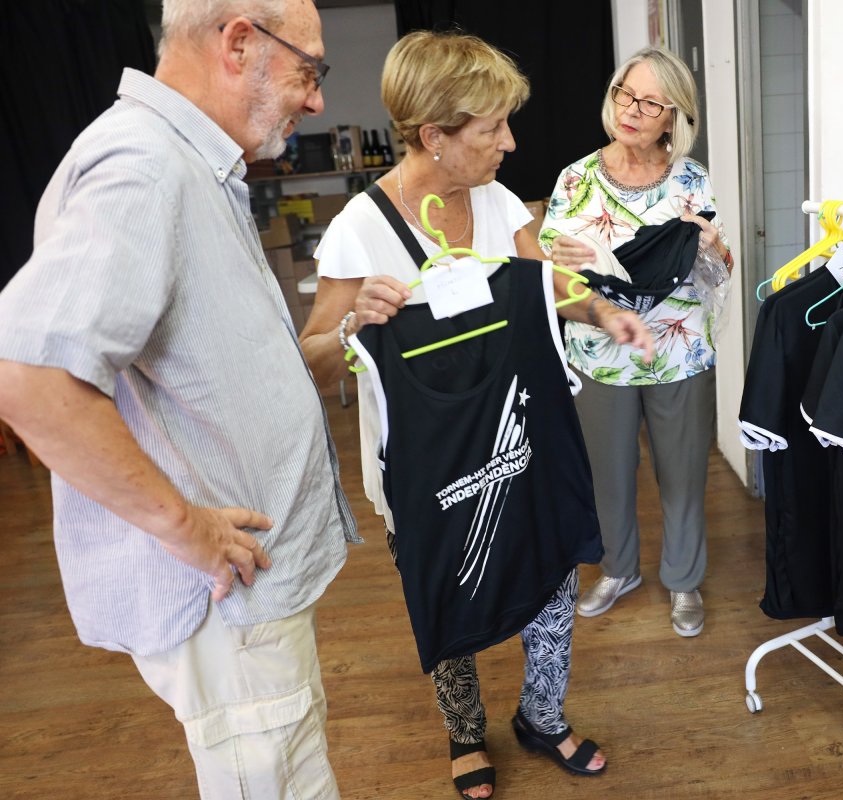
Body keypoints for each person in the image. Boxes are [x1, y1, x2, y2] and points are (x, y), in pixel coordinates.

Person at [0, 1, 357, 797]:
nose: (317, 99)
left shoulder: (187, 161)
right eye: (311, 69)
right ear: (238, 43)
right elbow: (29, 374)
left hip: (245, 603)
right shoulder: (144, 165)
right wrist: (184, 527)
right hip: (223, 604)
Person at [298, 30, 653, 800]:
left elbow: (542, 285)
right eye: (492, 127)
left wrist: (599, 312)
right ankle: (464, 732)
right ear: (435, 135)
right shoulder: (361, 229)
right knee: (448, 586)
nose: (509, 143)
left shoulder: (494, 203)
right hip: (424, 467)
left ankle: (542, 715)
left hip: (517, 440)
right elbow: (312, 358)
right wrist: (353, 318)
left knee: (553, 574)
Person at [540, 46, 734, 639]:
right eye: (627, 93)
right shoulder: (575, 178)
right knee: (607, 472)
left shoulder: (691, 179)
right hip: (600, 352)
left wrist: (713, 251)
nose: (633, 109)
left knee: (681, 474)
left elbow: (719, 273)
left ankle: (683, 580)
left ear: (675, 116)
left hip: (680, 351)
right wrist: (556, 258)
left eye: (651, 102)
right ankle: (618, 570)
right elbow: (548, 272)